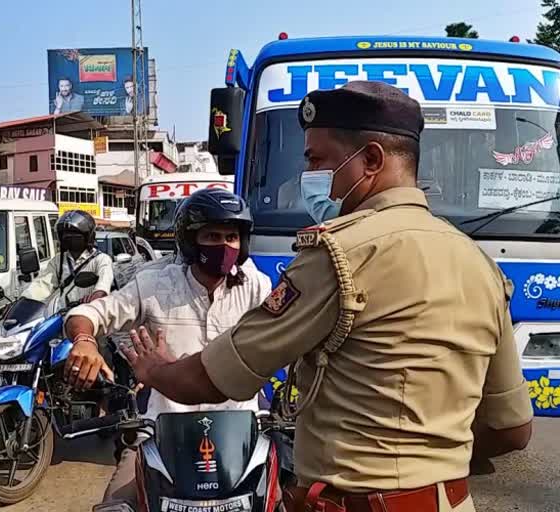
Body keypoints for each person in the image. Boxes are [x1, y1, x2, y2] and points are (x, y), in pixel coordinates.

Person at [120, 81, 533, 512]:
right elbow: (513, 429)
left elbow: (213, 378)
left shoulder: (340, 254)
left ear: (370, 159)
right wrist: (428, 472)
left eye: (317, 160)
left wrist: (156, 370)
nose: (309, 178)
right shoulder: (480, 265)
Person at [63, 188, 273, 511]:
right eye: (212, 235)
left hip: (241, 446)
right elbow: (88, 315)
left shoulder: (257, 287)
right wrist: (85, 341)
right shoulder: (153, 284)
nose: (224, 246)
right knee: (114, 506)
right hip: (161, 442)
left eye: (232, 237)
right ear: (190, 240)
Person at [21, 210, 113, 305]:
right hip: (63, 313)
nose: (70, 238)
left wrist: (97, 294)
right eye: (66, 235)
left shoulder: (101, 259)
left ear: (88, 237)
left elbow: (104, 284)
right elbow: (43, 284)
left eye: (75, 234)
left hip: (88, 314)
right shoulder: (58, 260)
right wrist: (23, 301)